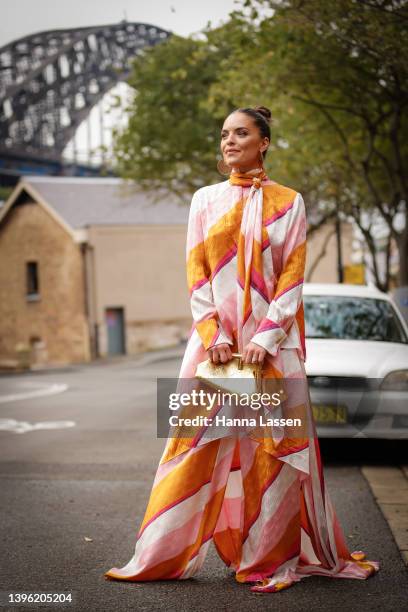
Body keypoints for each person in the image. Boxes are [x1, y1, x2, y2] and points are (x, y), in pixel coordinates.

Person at [104, 105, 380, 593]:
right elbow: (197, 274)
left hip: (272, 351)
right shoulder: (204, 200)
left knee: (273, 456)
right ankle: (160, 556)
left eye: (241, 133)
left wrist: (265, 337)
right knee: (192, 447)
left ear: (264, 142)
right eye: (225, 134)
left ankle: (266, 559)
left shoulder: (290, 202)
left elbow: (292, 277)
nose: (229, 141)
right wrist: (217, 335)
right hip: (215, 350)